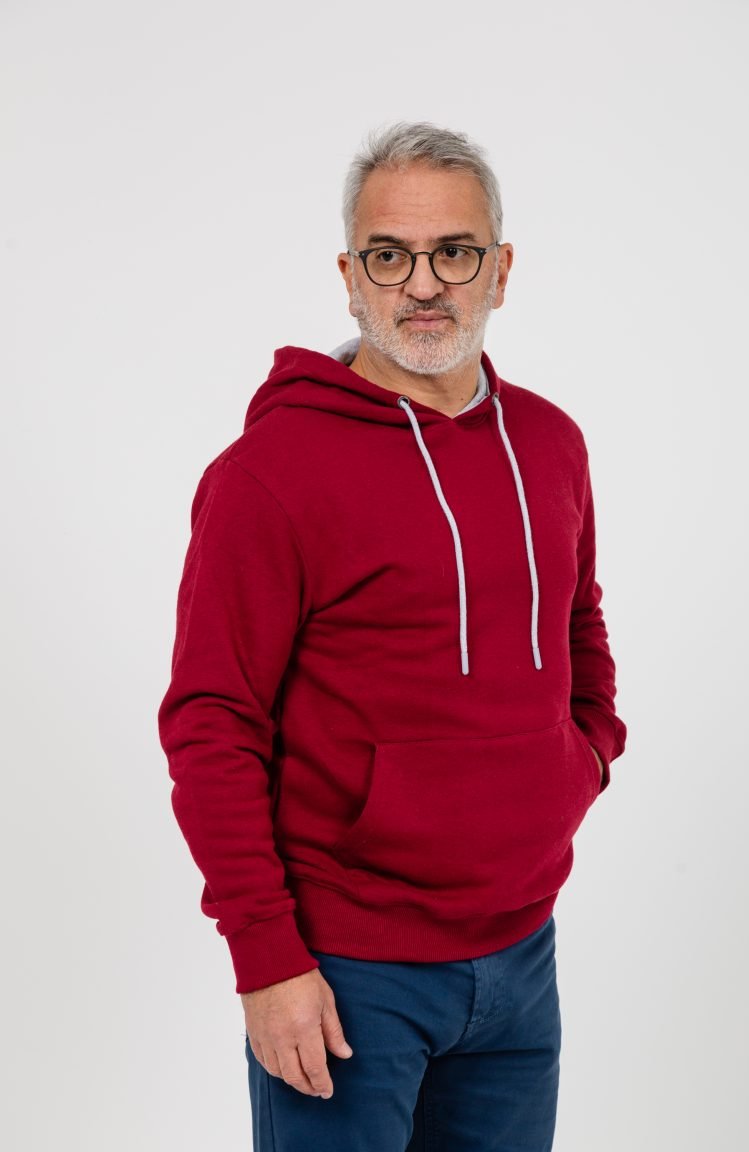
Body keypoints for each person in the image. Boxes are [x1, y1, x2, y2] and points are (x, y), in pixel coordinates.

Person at [157, 121, 627, 1151]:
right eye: (389, 255)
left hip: (523, 957)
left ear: (500, 269)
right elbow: (210, 721)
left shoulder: (551, 442)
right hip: (345, 973)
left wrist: (581, 759)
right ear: (349, 276)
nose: (423, 284)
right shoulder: (268, 476)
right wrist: (267, 959)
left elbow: (579, 624)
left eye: (454, 252)